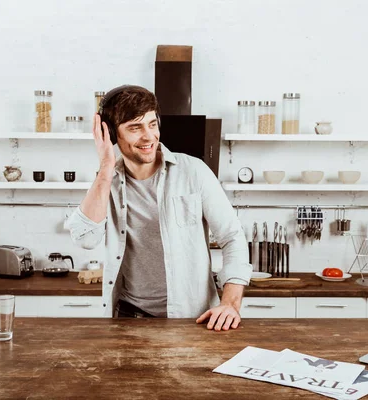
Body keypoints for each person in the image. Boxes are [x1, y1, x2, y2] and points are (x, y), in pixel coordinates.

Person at [66, 85, 251, 331]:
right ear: (111, 134)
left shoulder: (194, 172)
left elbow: (232, 237)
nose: (149, 136)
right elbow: (86, 239)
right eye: (135, 127)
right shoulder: (106, 182)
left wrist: (230, 303)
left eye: (152, 124)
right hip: (127, 319)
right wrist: (106, 166)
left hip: (192, 319)